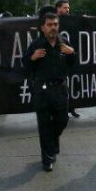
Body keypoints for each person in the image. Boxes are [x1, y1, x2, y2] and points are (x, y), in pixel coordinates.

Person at [23, 13, 77, 172]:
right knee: (45, 125)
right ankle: (47, 159)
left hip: (60, 89)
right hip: (42, 90)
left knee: (62, 120)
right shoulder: (36, 45)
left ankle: (52, 143)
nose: (53, 27)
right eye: (50, 24)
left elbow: (74, 63)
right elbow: (24, 65)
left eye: (55, 24)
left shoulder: (64, 43)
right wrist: (32, 58)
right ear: (43, 27)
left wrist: (72, 53)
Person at [55, 0, 80, 119]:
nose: (67, 10)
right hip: (57, 60)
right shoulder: (53, 21)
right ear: (58, 8)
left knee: (70, 85)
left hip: (68, 58)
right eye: (65, 7)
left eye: (68, 8)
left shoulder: (71, 21)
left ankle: (71, 108)